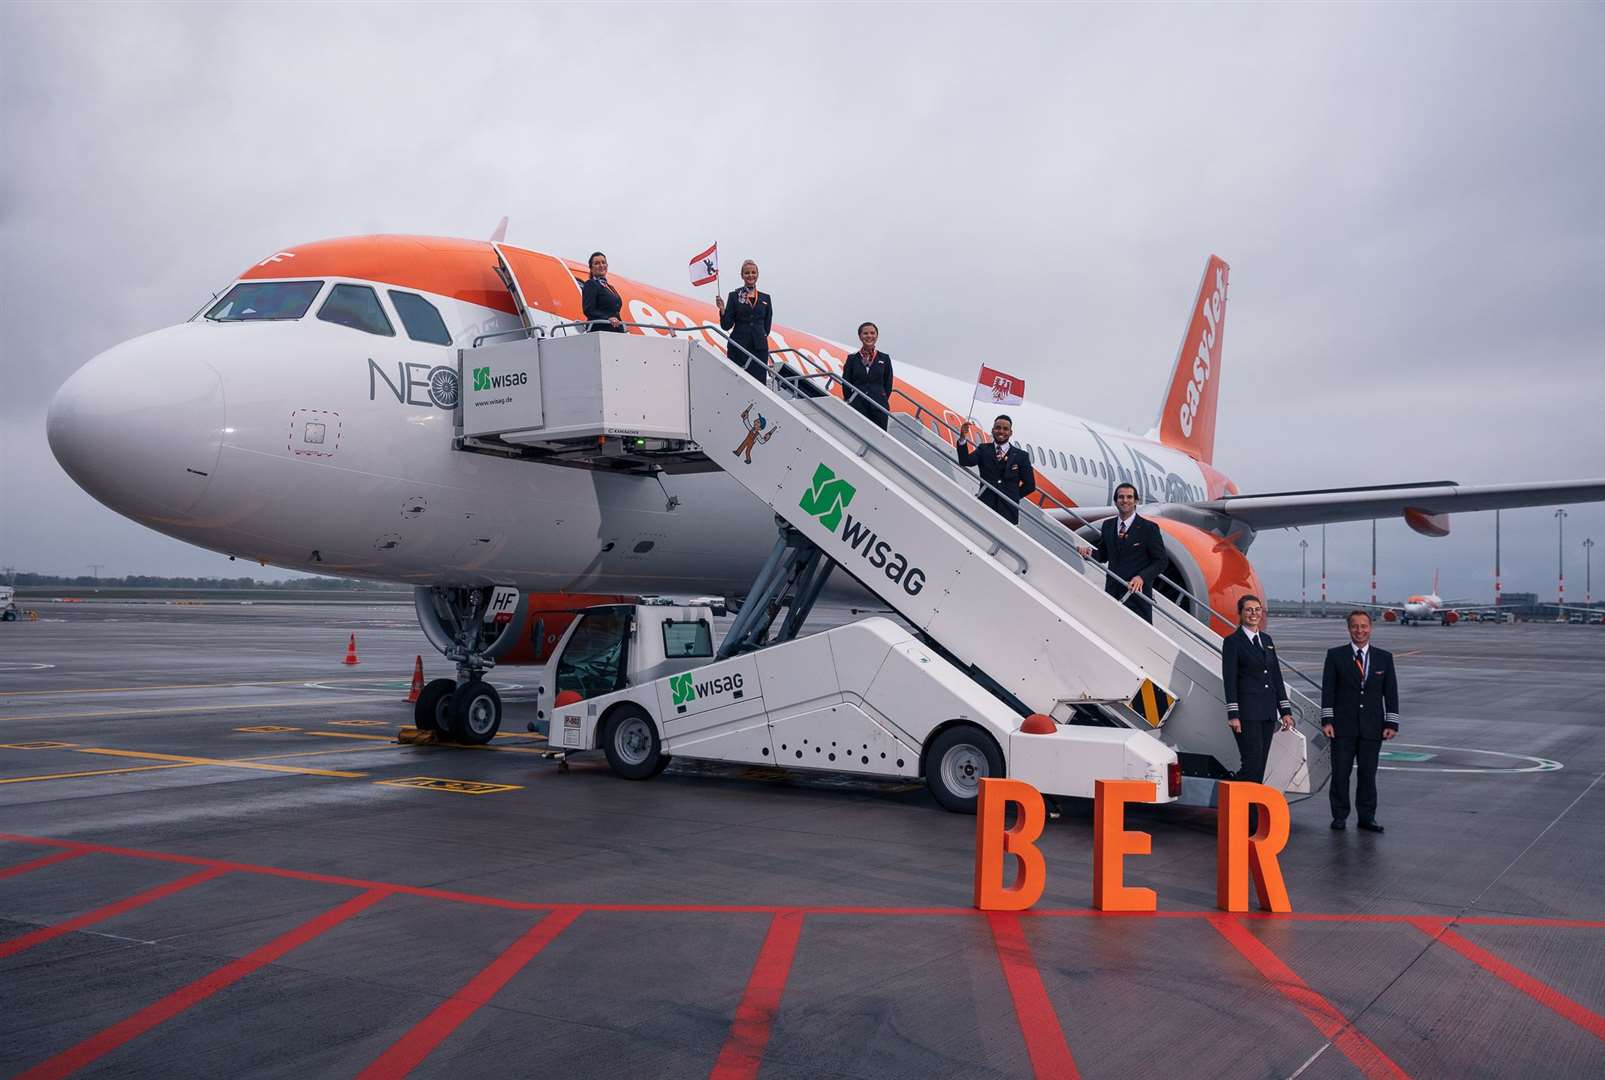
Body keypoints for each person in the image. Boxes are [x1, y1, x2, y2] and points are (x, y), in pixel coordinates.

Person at [1221, 594, 1295, 830]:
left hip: (1266, 714)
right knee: (1251, 765)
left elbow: (1276, 677)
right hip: (1246, 714)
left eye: (1257, 610)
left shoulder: (1267, 640)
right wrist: (1233, 714)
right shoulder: (1233, 642)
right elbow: (1229, 680)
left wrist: (1285, 710)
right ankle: (1237, 808)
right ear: (1240, 614)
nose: (1254, 614)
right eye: (1249, 610)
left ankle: (1248, 818)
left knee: (1259, 768)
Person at [1321, 610, 1399, 832]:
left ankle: (1367, 817)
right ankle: (1339, 815)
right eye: (1355, 626)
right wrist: (1327, 720)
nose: (1360, 631)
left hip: (1372, 728)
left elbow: (1390, 693)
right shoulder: (1335, 656)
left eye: (1364, 626)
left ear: (1370, 628)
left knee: (1367, 774)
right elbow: (1329, 691)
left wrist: (1391, 723)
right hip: (1342, 727)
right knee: (1340, 774)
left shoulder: (1384, 658)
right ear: (1349, 629)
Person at [1076, 483, 1167, 622]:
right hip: (1112, 593)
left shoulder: (1149, 528)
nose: (1125, 500)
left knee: (1138, 638)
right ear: (1116, 501)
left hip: (1137, 595)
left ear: (1136, 501)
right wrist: (1089, 553)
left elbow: (1161, 561)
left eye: (1129, 497)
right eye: (1121, 497)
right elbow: (1104, 555)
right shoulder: (1108, 525)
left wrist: (1141, 577)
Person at [956, 414, 1035, 525]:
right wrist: (963, 438)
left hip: (1008, 511)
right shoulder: (983, 449)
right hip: (985, 507)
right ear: (993, 430)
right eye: (998, 428)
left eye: (1005, 429)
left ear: (1011, 433)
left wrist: (1012, 497)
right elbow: (965, 461)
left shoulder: (1021, 456)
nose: (1001, 431)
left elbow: (1030, 485)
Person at [715, 259, 773, 383]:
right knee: (736, 383)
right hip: (738, 346)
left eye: (753, 272)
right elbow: (726, 325)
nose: (750, 275)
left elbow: (767, 327)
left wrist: (759, 336)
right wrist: (722, 310)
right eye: (747, 273)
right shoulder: (734, 296)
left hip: (759, 348)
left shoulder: (765, 298)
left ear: (757, 274)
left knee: (759, 384)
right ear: (742, 275)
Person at [842, 322, 893, 429]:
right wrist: (851, 399)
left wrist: (880, 396)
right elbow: (846, 382)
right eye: (865, 333)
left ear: (876, 336)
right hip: (858, 404)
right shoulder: (852, 359)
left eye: (872, 333)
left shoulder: (884, 358)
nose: (869, 336)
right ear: (860, 336)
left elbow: (888, 384)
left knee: (879, 438)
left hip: (879, 406)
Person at [581, 251, 624, 333]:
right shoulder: (591, 284)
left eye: (603, 263)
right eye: (597, 263)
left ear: (607, 266)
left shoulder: (610, 287)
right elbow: (588, 310)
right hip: (601, 330)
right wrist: (607, 318)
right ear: (591, 267)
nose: (601, 265)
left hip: (616, 329)